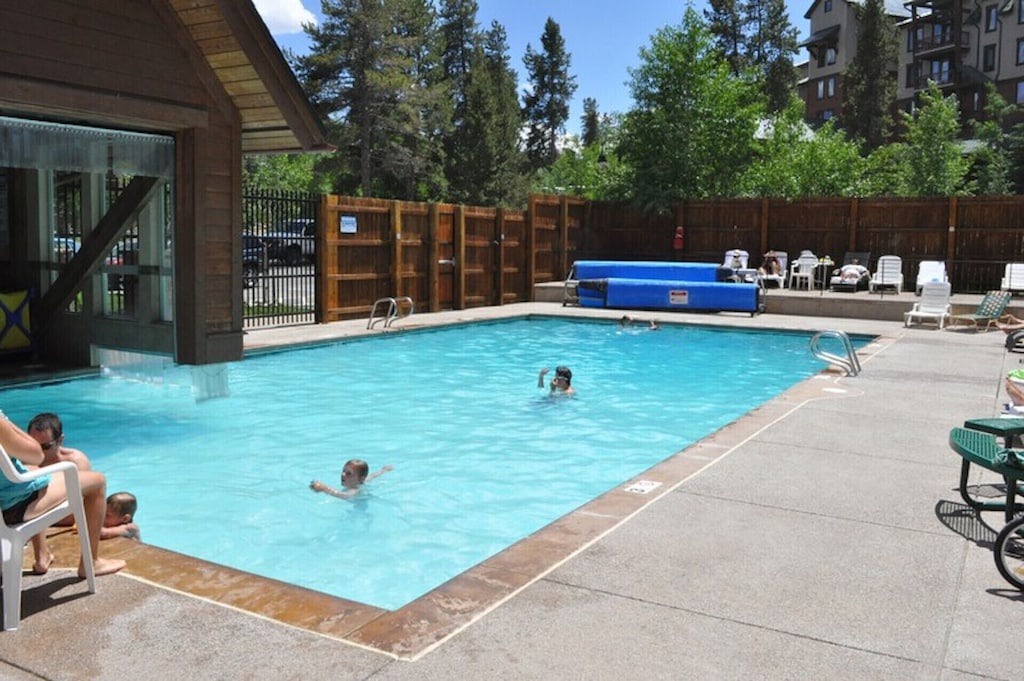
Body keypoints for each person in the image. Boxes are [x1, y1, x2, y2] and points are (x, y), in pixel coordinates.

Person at [0, 408, 125, 577]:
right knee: (98, 481)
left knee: (33, 478)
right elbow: (36, 455)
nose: (43, 450)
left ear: (60, 440)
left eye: (47, 446)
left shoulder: (75, 459)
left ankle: (42, 556)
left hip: (7, 504)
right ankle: (91, 563)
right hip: (11, 507)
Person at [27, 412, 91, 471]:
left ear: (60, 440)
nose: (38, 450)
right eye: (34, 445)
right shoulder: (23, 461)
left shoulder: (74, 462)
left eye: (45, 446)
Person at [310, 459, 392, 500]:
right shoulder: (362, 481)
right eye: (343, 471)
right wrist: (383, 470)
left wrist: (324, 488)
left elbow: (346, 496)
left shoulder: (355, 489)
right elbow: (373, 476)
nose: (343, 475)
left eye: (349, 473)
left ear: (361, 479)